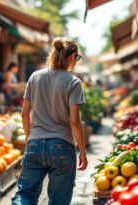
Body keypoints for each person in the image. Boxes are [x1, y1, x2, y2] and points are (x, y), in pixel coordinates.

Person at [12, 37, 87, 205]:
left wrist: (29, 137)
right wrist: (82, 151)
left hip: (35, 143)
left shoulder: (35, 77)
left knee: (25, 195)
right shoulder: (73, 82)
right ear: (72, 57)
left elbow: (25, 114)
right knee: (59, 201)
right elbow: (74, 121)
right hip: (62, 145)